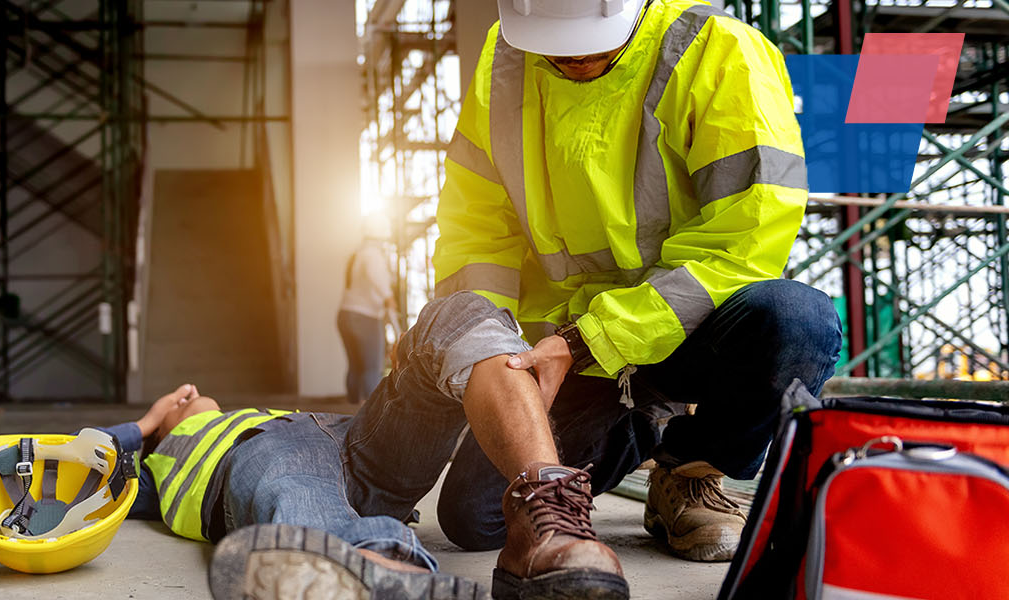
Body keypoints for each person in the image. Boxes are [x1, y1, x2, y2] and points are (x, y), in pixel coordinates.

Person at [319, 0, 842, 598]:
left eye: (594, 46)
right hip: (564, 355)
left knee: (798, 320)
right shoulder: (506, 57)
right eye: (558, 48)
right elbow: (479, 228)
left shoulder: (718, 52)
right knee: (477, 519)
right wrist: (494, 356)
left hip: (686, 334)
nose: (576, 60)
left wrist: (588, 340)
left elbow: (743, 241)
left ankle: (694, 469)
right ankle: (645, 419)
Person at [99, 384, 489, 600]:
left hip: (346, 448)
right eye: (178, 400)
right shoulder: (153, 466)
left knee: (435, 348)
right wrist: (143, 424)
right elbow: (66, 463)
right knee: (293, 482)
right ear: (162, 434)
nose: (189, 391)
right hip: (277, 462)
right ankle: (378, 565)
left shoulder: (251, 414)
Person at [337, 215, 399, 403]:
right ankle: (372, 416)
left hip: (345, 315)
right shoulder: (373, 254)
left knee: (355, 367)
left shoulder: (358, 253)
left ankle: (350, 410)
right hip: (365, 317)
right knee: (372, 368)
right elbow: (376, 275)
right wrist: (389, 297)